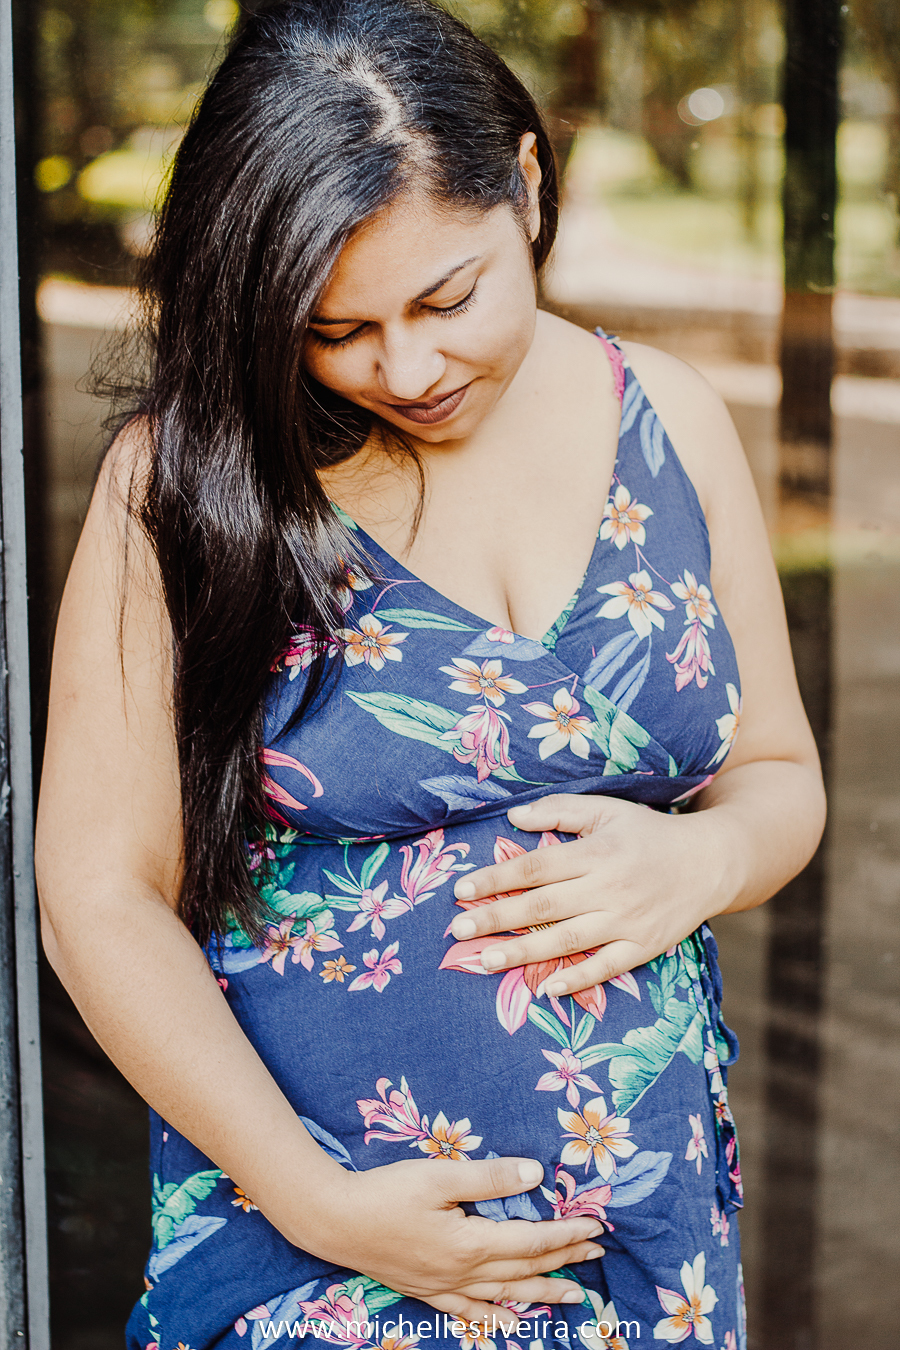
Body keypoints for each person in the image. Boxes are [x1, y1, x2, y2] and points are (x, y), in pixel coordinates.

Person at [35, 1, 825, 1347]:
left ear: (524, 183)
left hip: (646, 1246)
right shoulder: (190, 487)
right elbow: (99, 896)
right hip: (318, 1254)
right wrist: (317, 1198)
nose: (406, 366)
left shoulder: (671, 420)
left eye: (447, 296)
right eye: (336, 329)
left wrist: (708, 861)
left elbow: (780, 773)